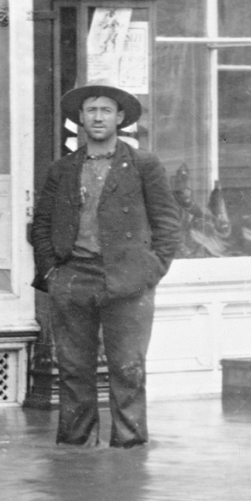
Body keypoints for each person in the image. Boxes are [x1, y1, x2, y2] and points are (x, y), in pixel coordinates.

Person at [30, 85, 182, 448]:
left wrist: (150, 271)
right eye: (91, 110)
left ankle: (128, 451)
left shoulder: (144, 165)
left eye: (106, 110)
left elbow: (167, 224)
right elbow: (42, 224)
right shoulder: (63, 168)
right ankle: (75, 451)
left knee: (128, 369)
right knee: (73, 370)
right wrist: (53, 272)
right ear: (79, 119)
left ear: (120, 118)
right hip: (73, 278)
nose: (98, 117)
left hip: (128, 280)